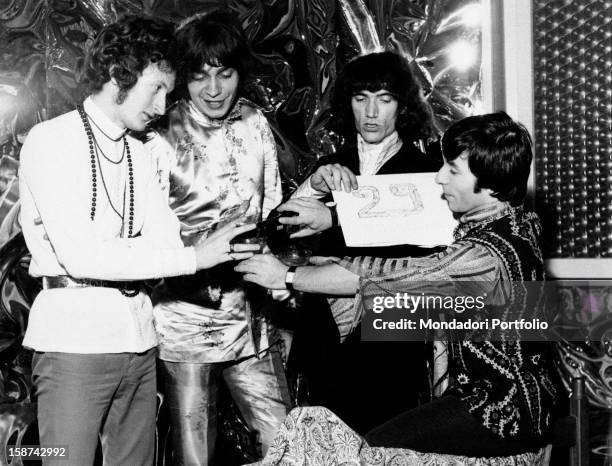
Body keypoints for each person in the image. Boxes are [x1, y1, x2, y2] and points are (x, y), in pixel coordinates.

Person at [237, 112, 562, 459]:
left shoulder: (482, 257)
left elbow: (387, 278)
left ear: (491, 183)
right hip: (511, 396)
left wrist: (286, 277)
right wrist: (330, 221)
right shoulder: (515, 221)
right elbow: (402, 218)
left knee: (374, 449)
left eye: (452, 170)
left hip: (502, 407)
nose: (439, 179)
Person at [18, 16, 259, 466]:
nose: (165, 104)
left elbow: (166, 238)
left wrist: (214, 242)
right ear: (117, 76)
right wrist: (192, 255)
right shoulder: (51, 140)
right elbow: (82, 254)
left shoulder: (139, 150)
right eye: (157, 89)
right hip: (74, 343)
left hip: (140, 339)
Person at [146, 10, 290, 465]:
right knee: (195, 453)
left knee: (284, 439)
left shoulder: (255, 122)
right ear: (182, 79)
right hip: (185, 321)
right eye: (200, 76)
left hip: (252, 319)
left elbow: (271, 210)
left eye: (225, 74)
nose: (213, 89)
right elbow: (146, 237)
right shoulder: (157, 134)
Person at [280, 51, 441, 434]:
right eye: (361, 98)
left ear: (401, 106)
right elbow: (279, 233)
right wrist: (314, 186)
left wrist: (335, 216)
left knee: (385, 447)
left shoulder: (426, 173)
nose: (371, 112)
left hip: (390, 341)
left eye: (384, 99)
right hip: (325, 340)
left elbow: (413, 252)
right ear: (346, 103)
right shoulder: (331, 165)